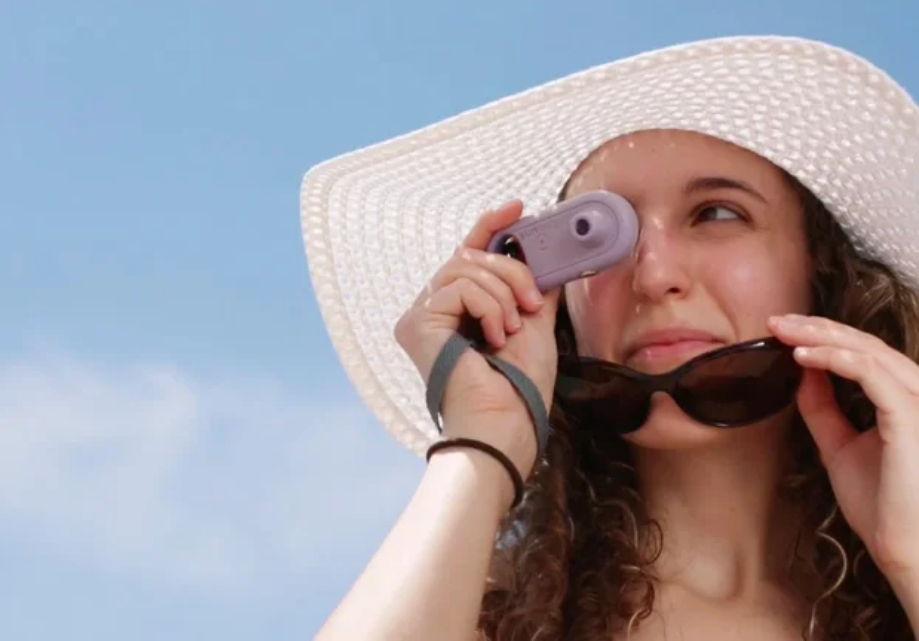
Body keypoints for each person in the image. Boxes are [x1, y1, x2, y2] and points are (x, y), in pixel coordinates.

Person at [299, 35, 919, 640]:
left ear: (824, 269)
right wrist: (481, 443)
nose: (654, 275)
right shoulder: (486, 621)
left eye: (717, 213)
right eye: (600, 234)